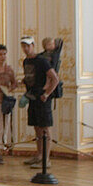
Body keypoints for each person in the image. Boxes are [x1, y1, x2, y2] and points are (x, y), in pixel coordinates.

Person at [20, 36, 60, 168]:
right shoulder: (26, 61)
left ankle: (46, 159)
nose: (26, 48)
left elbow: (55, 78)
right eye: (23, 46)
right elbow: (30, 78)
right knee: (37, 128)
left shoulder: (42, 61)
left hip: (43, 99)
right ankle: (39, 155)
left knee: (44, 128)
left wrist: (47, 93)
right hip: (32, 98)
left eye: (28, 45)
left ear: (33, 45)